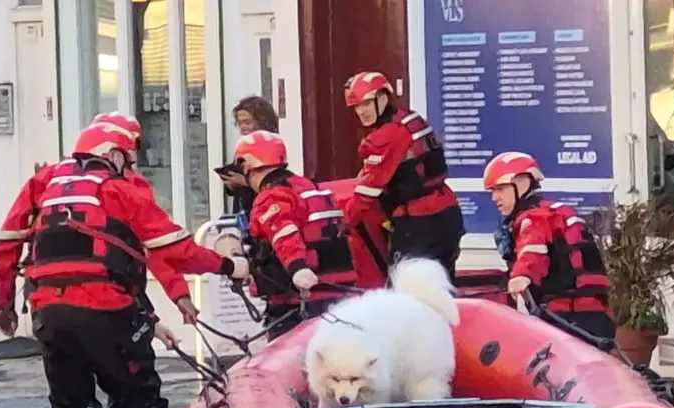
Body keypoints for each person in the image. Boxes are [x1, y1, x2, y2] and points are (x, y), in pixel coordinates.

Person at [0, 122, 250, 408]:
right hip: (107, 310)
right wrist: (229, 265)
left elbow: (7, 245)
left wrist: (4, 304)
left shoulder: (43, 183)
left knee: (69, 405)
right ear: (115, 155)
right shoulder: (122, 190)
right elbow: (172, 249)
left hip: (49, 314)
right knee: (137, 394)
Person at [236, 130, 359, 340]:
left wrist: (297, 269)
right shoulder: (306, 187)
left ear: (246, 166)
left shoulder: (271, 197)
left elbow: (284, 234)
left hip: (297, 304)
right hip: (339, 296)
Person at [342, 71, 465, 280]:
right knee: (442, 291)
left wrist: (342, 223)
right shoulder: (411, 119)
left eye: (366, 104)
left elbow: (368, 190)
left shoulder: (384, 137)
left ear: (383, 98)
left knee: (403, 295)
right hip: (448, 214)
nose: (361, 112)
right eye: (356, 107)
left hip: (419, 224)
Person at [482, 151, 615, 341]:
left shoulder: (534, 218)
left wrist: (521, 276)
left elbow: (533, 249)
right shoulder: (556, 212)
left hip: (565, 319)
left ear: (522, 184)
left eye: (501, 189)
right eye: (492, 191)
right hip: (595, 318)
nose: (495, 198)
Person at [224, 96, 280, 215]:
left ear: (263, 121)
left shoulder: (273, 146)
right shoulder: (244, 146)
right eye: (240, 123)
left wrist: (245, 182)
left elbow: (276, 184)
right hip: (243, 208)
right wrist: (232, 184)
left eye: (247, 122)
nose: (243, 128)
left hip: (263, 211)